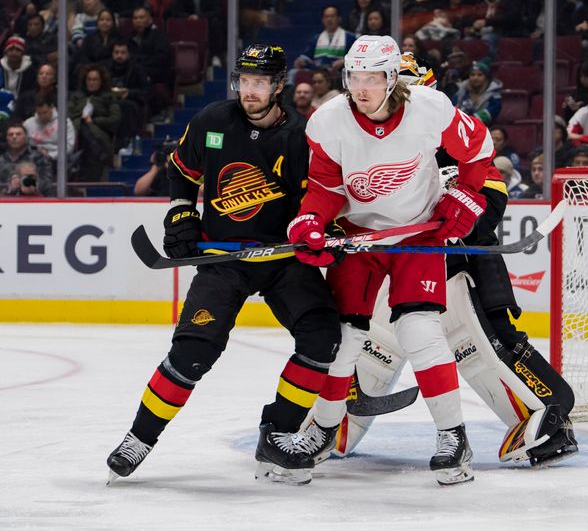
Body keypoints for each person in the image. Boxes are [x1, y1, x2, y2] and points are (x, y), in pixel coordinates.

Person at [262, 35, 496, 486]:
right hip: (358, 239)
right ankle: (324, 432)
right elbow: (326, 187)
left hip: (418, 234)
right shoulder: (328, 120)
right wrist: (311, 221)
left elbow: (479, 148)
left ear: (391, 79)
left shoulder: (431, 107)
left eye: (372, 78)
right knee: (343, 338)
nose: (362, 88)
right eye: (354, 77)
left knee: (419, 330)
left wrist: (467, 196)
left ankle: (454, 436)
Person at [106, 44, 342, 484]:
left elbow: (318, 197)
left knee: (322, 336)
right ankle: (140, 437)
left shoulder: (301, 136)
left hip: (281, 258)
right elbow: (181, 170)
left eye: (259, 83)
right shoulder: (213, 120)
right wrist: (180, 209)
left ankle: (279, 435)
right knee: (193, 353)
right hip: (224, 259)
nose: (249, 91)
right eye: (244, 81)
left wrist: (321, 229)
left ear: (278, 85)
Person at [68, 63, 121, 181]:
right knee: (82, 128)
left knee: (88, 132)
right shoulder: (76, 97)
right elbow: (67, 115)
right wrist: (81, 119)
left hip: (99, 134)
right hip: (75, 133)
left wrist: (94, 120)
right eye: (89, 79)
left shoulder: (108, 97)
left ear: (101, 81)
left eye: (95, 80)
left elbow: (115, 118)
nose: (92, 83)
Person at [0, 124, 54, 196]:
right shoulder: (1, 160)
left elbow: (47, 181)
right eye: (10, 134)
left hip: (34, 200)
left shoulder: (39, 157)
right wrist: (9, 188)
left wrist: (32, 184)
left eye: (18, 134)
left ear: (25, 137)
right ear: (7, 138)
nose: (14, 137)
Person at [23, 95, 76, 164]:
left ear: (52, 107)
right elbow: (24, 144)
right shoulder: (28, 123)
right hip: (34, 158)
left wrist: (50, 156)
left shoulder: (64, 122)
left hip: (58, 159)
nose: (42, 116)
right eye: (39, 113)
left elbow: (69, 146)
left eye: (45, 112)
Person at [451, 60, 502, 126]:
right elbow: (452, 108)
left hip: (484, 130)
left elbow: (490, 113)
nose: (475, 78)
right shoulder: (461, 91)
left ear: (486, 78)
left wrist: (466, 121)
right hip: (459, 127)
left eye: (479, 75)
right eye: (472, 75)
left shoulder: (494, 96)